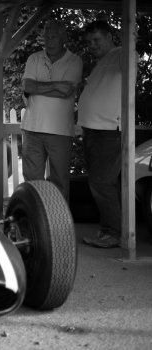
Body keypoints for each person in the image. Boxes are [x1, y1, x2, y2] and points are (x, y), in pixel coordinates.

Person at [20, 19, 83, 202]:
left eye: (53, 35)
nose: (49, 39)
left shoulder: (74, 60)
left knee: (60, 181)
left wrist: (38, 87)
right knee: (32, 181)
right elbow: (28, 86)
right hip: (32, 128)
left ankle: (59, 224)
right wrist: (56, 86)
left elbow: (67, 92)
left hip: (60, 130)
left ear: (63, 37)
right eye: (46, 35)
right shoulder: (34, 58)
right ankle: (33, 220)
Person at [78, 20, 125, 248]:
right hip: (94, 129)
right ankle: (107, 230)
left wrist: (130, 37)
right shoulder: (103, 61)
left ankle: (116, 233)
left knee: (101, 182)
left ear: (110, 36)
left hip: (110, 130)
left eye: (97, 40)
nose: (92, 45)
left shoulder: (122, 54)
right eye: (89, 42)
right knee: (106, 184)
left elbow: (128, 66)